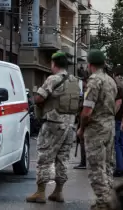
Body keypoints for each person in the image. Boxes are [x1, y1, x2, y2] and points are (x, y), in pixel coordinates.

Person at [26, 52, 80, 203]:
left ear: (53, 63)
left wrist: (37, 101)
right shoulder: (74, 81)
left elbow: (39, 98)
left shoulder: (52, 79)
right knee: (62, 158)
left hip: (53, 124)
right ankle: (58, 191)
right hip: (70, 125)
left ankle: (40, 192)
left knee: (44, 157)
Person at [77, 49, 117, 210]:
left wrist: (81, 128)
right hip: (109, 126)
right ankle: (109, 198)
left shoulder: (94, 81)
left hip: (96, 129)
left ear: (90, 64)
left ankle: (103, 203)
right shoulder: (110, 81)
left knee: (95, 168)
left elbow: (87, 111)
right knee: (107, 166)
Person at [111, 66, 123, 177]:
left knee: (116, 143)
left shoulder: (116, 85)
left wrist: (111, 114)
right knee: (122, 143)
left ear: (114, 74)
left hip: (117, 118)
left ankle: (119, 168)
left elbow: (118, 103)